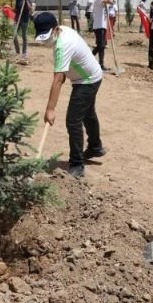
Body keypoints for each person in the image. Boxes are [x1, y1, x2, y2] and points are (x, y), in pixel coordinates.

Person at [34, 12, 105, 179]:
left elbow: (58, 79)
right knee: (88, 113)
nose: (45, 40)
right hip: (92, 74)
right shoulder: (64, 31)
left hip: (86, 80)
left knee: (73, 121)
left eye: (47, 36)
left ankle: (77, 164)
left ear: (55, 29)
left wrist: (50, 109)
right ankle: (95, 147)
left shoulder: (62, 45)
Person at [91, 0, 113, 71]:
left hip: (102, 26)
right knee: (100, 45)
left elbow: (110, 2)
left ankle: (101, 64)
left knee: (102, 46)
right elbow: (110, 1)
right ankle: (88, 58)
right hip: (98, 26)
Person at [13, 0, 33, 65]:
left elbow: (30, 9)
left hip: (25, 20)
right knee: (14, 35)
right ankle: (17, 52)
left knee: (24, 36)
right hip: (17, 20)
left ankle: (24, 53)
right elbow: (16, 10)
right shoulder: (18, 0)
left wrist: (26, 0)